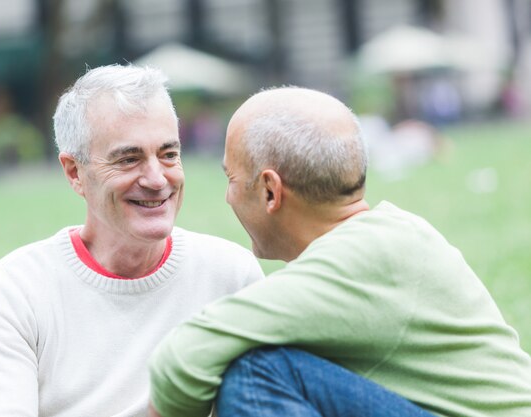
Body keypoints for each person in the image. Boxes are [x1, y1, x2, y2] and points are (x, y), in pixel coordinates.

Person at [148, 87, 531, 417]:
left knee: (255, 373)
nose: (228, 195)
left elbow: (181, 359)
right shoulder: (385, 239)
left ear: (270, 190)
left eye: (230, 178)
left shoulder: (363, 258)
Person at [0, 65, 264, 417]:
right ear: (74, 172)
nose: (157, 178)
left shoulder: (231, 275)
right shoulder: (16, 288)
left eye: (168, 154)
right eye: (129, 159)